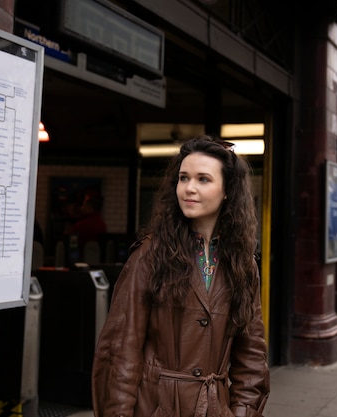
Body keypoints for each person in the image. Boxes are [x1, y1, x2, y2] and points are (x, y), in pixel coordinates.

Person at [92, 136, 270, 417]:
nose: (189, 188)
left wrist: (242, 412)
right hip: (156, 407)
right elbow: (120, 353)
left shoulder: (242, 263)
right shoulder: (150, 255)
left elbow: (252, 358)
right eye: (183, 178)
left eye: (203, 179)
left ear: (227, 191)